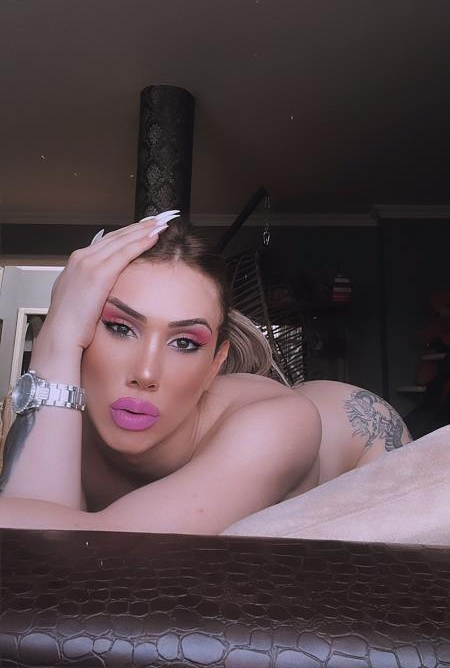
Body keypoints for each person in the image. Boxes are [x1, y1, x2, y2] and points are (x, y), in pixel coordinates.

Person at [0, 213, 411, 535]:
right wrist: (56, 341)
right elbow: (33, 564)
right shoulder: (54, 411)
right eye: (120, 328)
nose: (145, 373)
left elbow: (69, 548)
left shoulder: (275, 426)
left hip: (359, 443)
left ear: (216, 361)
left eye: (185, 342)